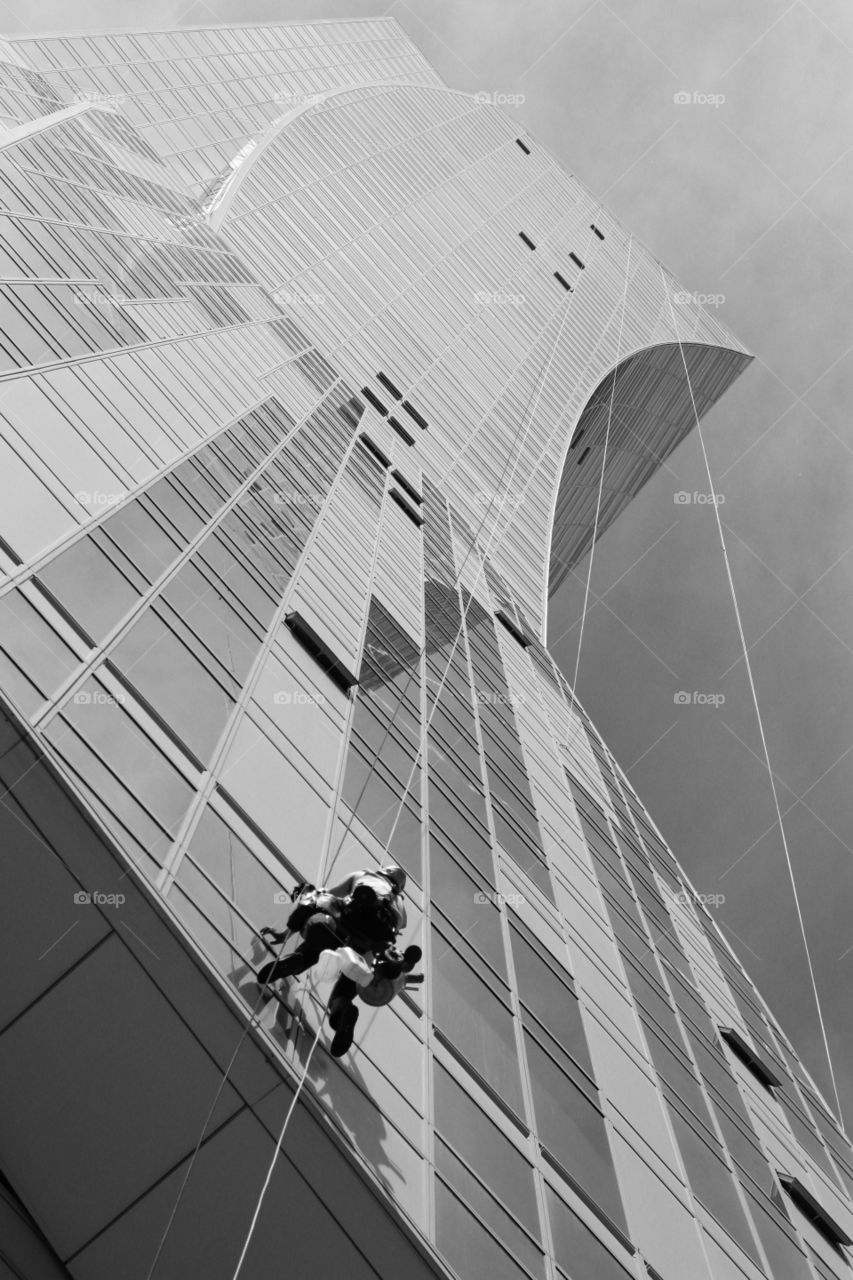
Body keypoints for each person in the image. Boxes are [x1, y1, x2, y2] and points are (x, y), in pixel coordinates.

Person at [258, 864, 416, 1056]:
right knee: (348, 983)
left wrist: (286, 933)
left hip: (347, 919)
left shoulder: (362, 874)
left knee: (315, 935)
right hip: (370, 943)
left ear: (384, 871)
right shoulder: (402, 910)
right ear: (400, 887)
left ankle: (295, 961)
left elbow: (327, 894)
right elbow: (393, 935)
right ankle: (343, 1014)